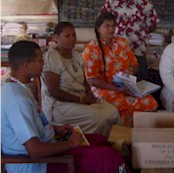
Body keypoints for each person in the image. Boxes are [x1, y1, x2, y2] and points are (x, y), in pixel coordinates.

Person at [1, 41, 130, 173]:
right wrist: (70, 144)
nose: (43, 64)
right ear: (26, 65)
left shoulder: (18, 88)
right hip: (37, 165)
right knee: (107, 157)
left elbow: (33, 125)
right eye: (40, 61)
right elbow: (35, 151)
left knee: (101, 140)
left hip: (46, 149)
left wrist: (56, 129)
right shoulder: (17, 100)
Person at [41, 22, 120, 137]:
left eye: (74, 35)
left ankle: (111, 146)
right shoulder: (52, 57)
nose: (72, 39)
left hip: (80, 99)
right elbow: (54, 91)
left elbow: (84, 81)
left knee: (112, 112)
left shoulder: (76, 55)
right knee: (98, 117)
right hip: (60, 105)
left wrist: (90, 95)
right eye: (67, 36)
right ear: (56, 38)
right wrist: (80, 100)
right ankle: (94, 147)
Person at [82, 12, 158, 127]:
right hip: (104, 89)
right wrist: (116, 88)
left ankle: (140, 135)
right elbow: (91, 80)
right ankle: (122, 135)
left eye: (113, 25)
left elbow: (135, 64)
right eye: (107, 26)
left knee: (149, 101)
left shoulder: (122, 42)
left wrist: (131, 70)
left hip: (126, 86)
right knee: (122, 104)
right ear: (98, 29)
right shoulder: (92, 49)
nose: (111, 29)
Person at [99, 0, 159, 80]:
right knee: (117, 86)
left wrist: (140, 33)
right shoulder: (111, 3)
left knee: (140, 87)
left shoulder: (145, 3)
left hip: (138, 51)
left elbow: (153, 24)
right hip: (115, 52)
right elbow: (101, 23)